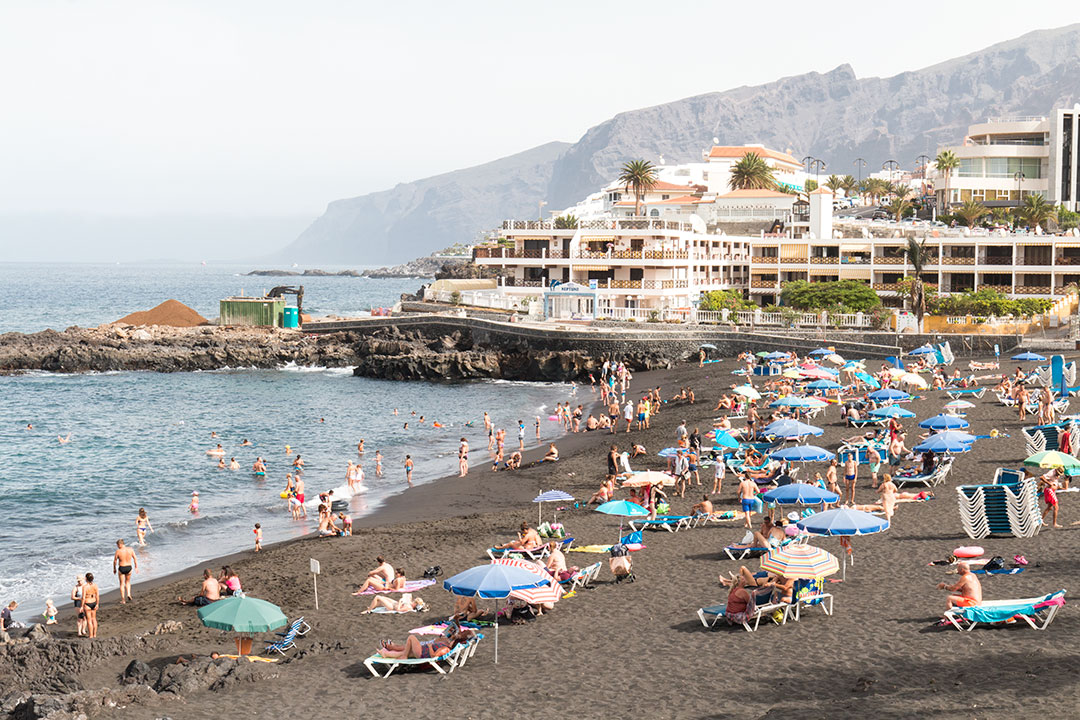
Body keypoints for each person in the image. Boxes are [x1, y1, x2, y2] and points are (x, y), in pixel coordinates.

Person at [376, 624, 473, 660]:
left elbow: (434, 656)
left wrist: (430, 646)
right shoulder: (451, 643)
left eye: (464, 632)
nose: (462, 631)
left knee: (411, 638)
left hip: (423, 653)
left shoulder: (445, 648)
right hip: (423, 650)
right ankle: (386, 654)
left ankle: (397, 652)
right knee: (405, 650)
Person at [113, 539, 137, 604]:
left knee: (121, 584)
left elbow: (115, 561)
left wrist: (114, 569)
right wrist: (136, 567)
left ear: (120, 544)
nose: (117, 546)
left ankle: (123, 600)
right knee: (128, 582)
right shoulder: (130, 549)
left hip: (122, 567)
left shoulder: (118, 551)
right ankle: (129, 594)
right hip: (129, 567)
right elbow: (135, 558)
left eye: (117, 545)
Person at [82, 573, 99, 638]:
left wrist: (81, 606)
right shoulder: (95, 585)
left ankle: (91, 635)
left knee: (89, 620)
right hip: (94, 601)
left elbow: (83, 597)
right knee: (94, 619)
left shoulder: (85, 587)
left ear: (86, 578)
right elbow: (97, 595)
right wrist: (97, 604)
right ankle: (94, 634)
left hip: (87, 602)